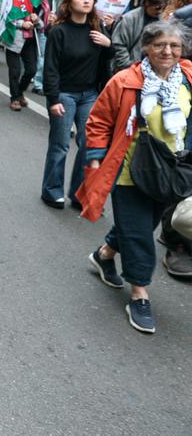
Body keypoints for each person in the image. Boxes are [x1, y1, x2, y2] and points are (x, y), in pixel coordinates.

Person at [76, 21, 192, 334]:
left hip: (171, 171)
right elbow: (98, 121)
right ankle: (139, 292)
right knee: (140, 233)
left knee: (143, 224)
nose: (167, 52)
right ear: (146, 48)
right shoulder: (125, 81)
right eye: (160, 45)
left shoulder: (189, 78)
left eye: (174, 46)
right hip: (129, 170)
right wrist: (95, 158)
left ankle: (104, 255)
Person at [40, 0, 112, 209]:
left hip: (90, 95)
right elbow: (50, 68)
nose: (86, 1)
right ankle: (52, 191)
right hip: (64, 94)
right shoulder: (59, 31)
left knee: (89, 143)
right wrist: (52, 100)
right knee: (60, 144)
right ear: (70, 1)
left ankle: (79, 193)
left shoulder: (98, 30)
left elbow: (108, 59)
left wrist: (108, 44)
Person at [110, 0, 169, 73]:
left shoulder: (163, 20)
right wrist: (128, 66)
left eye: (163, 8)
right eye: (158, 8)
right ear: (148, 3)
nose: (160, 11)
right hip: (130, 69)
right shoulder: (129, 18)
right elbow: (118, 44)